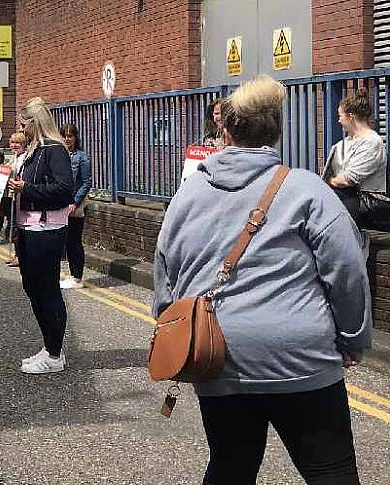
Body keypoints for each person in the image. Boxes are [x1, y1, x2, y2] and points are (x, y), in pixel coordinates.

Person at [152, 76, 371, 484]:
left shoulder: (187, 194)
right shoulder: (307, 189)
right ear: (276, 132)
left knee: (230, 467)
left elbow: (166, 272)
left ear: (225, 131)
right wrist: (353, 339)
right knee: (331, 471)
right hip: (300, 356)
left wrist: (174, 332)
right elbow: (346, 271)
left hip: (219, 357)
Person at [8, 97, 75, 374]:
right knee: (32, 289)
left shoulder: (54, 150)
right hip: (28, 229)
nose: (21, 130)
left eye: (24, 125)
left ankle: (55, 353)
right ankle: (49, 347)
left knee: (47, 291)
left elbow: (64, 189)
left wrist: (27, 188)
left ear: (36, 123)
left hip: (46, 231)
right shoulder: (34, 151)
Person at [324, 89, 390, 234]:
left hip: (368, 204)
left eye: (340, 116)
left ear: (351, 117)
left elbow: (349, 179)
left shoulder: (372, 142)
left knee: (327, 204)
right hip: (344, 198)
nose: (339, 120)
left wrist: (331, 182)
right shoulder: (341, 145)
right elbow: (330, 176)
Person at [59, 123, 92, 289]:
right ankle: (71, 275)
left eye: (70, 136)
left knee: (74, 241)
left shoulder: (82, 157)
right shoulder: (60, 155)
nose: (67, 139)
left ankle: (77, 278)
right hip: (60, 203)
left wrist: (75, 202)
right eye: (64, 136)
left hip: (74, 204)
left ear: (75, 138)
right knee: (62, 240)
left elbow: (86, 182)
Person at [181, 97, 225, 184]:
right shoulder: (208, 139)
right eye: (216, 114)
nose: (219, 117)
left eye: (222, 113)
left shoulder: (236, 138)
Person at [5, 132, 28, 267]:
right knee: (13, 226)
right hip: (12, 196)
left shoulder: (23, 158)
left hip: (21, 196)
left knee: (18, 227)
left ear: (23, 145)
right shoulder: (13, 157)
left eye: (17, 143)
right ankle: (16, 255)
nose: (14, 145)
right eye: (12, 143)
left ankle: (20, 256)